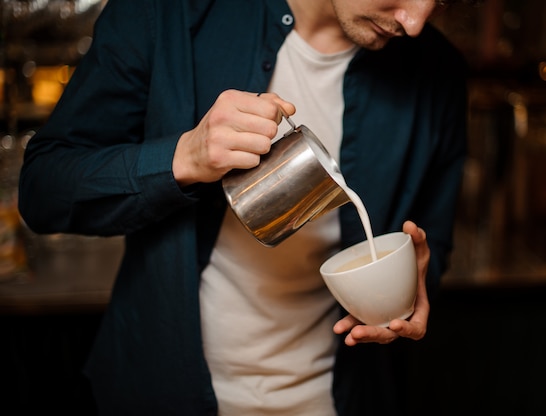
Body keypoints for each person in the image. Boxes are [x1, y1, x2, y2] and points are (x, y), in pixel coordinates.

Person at [19, 0, 477, 414]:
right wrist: (185, 157)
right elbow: (44, 191)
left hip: (338, 400)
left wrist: (412, 286)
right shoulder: (170, 14)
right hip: (165, 391)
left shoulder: (439, 74)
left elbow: (430, 241)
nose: (415, 23)